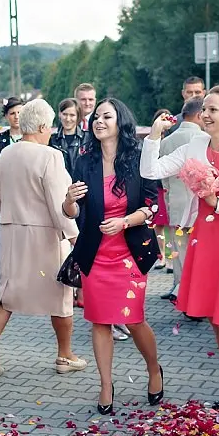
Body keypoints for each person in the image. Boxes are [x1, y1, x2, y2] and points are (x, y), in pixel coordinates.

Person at [141, 86, 219, 423]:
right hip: (205, 240)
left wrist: (218, 203)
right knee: (216, 323)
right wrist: (153, 136)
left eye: (213, 109)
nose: (206, 115)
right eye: (204, 110)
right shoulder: (195, 145)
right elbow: (151, 171)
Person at [66, 98, 163, 413]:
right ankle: (106, 385)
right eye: (95, 117)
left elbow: (152, 206)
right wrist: (68, 200)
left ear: (121, 121)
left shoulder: (139, 158)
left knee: (134, 320)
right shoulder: (84, 161)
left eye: (106, 116)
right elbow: (71, 210)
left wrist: (124, 222)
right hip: (95, 253)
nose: (98, 121)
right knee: (98, 321)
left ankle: (153, 369)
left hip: (130, 252)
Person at [0, 99, 87, 377]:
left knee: (6, 291)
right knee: (60, 295)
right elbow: (59, 201)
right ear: (40, 125)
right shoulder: (50, 156)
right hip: (46, 235)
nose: (51, 130)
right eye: (48, 125)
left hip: (11, 231)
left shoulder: (6, 154)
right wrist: (74, 237)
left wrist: (8, 220)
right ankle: (65, 355)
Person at [158, 97, 208, 302]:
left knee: (179, 251)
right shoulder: (205, 138)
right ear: (198, 115)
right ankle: (198, 295)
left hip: (176, 203)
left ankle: (179, 291)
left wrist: (169, 191)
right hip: (200, 204)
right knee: (200, 252)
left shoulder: (168, 141)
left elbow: (163, 176)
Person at [149, 109, 174, 270]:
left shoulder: (172, 140)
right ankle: (162, 257)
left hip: (169, 187)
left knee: (172, 226)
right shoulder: (151, 139)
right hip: (156, 187)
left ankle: (172, 259)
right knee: (158, 225)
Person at [49, 97, 85, 173]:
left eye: (72, 115)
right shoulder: (51, 140)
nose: (68, 119)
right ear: (59, 114)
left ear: (78, 116)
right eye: (65, 114)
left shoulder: (87, 138)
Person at [0, 96, 25, 174]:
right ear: (6, 116)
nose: (17, 117)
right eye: (12, 113)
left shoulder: (33, 137)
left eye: (19, 112)